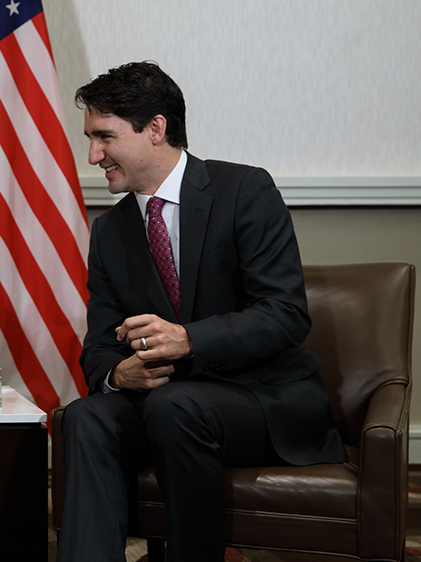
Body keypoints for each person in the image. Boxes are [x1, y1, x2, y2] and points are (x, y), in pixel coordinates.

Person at [56, 62, 346, 562]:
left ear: (155, 128)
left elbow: (284, 314)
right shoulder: (109, 232)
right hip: (168, 402)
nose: (92, 155)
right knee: (84, 416)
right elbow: (100, 349)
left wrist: (188, 339)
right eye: (90, 138)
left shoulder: (244, 191)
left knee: (176, 406)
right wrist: (116, 375)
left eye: (104, 137)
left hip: (261, 398)